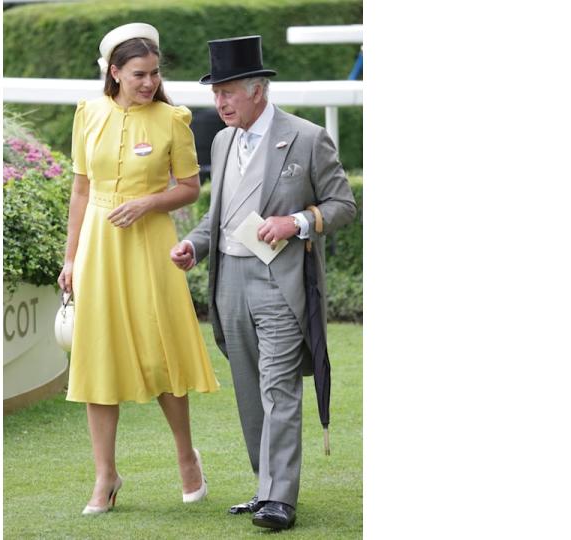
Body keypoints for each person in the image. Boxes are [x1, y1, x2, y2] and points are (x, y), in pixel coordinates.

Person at [170, 35, 357, 531]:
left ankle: (280, 497)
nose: (220, 102)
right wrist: (193, 245)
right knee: (249, 387)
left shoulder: (307, 137)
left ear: (258, 89)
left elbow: (343, 206)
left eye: (228, 91)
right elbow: (218, 216)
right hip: (228, 279)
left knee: (279, 385)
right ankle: (264, 486)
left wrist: (295, 221)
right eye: (215, 93)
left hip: (280, 281)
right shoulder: (222, 139)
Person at [58, 22, 220, 516]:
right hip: (98, 249)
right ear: (114, 72)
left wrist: (148, 204)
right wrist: (69, 258)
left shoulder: (173, 119)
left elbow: (190, 187)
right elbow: (82, 190)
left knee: (162, 351)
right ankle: (105, 476)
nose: (148, 82)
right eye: (137, 74)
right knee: (97, 358)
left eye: (153, 73)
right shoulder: (88, 114)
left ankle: (186, 457)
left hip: (152, 245)